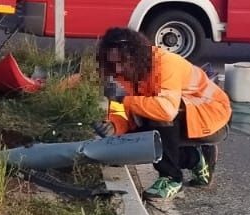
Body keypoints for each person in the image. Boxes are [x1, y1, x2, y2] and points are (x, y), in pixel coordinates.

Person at [96, 26, 232, 204]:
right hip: (185, 117)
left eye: (122, 62)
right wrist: (114, 127)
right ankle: (195, 158)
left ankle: (171, 178)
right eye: (113, 63)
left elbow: (166, 111)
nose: (119, 68)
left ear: (136, 55)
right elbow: (120, 109)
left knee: (158, 116)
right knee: (130, 145)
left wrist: (125, 101)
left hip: (212, 117)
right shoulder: (125, 73)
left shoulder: (166, 64)